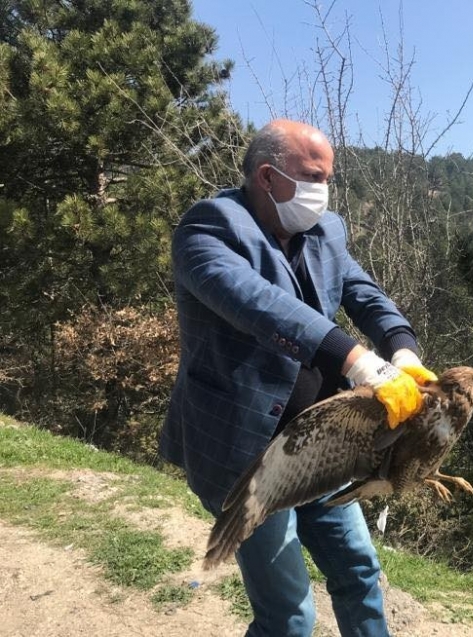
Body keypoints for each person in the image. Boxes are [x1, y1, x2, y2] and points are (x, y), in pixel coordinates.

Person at [160, 118, 436, 636]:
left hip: (322, 444)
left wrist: (402, 351)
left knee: (359, 572)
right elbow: (263, 307)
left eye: (329, 178)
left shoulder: (325, 231)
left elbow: (364, 293)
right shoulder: (208, 229)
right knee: (288, 615)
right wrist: (359, 362)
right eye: (314, 177)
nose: (324, 191)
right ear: (267, 176)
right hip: (247, 453)